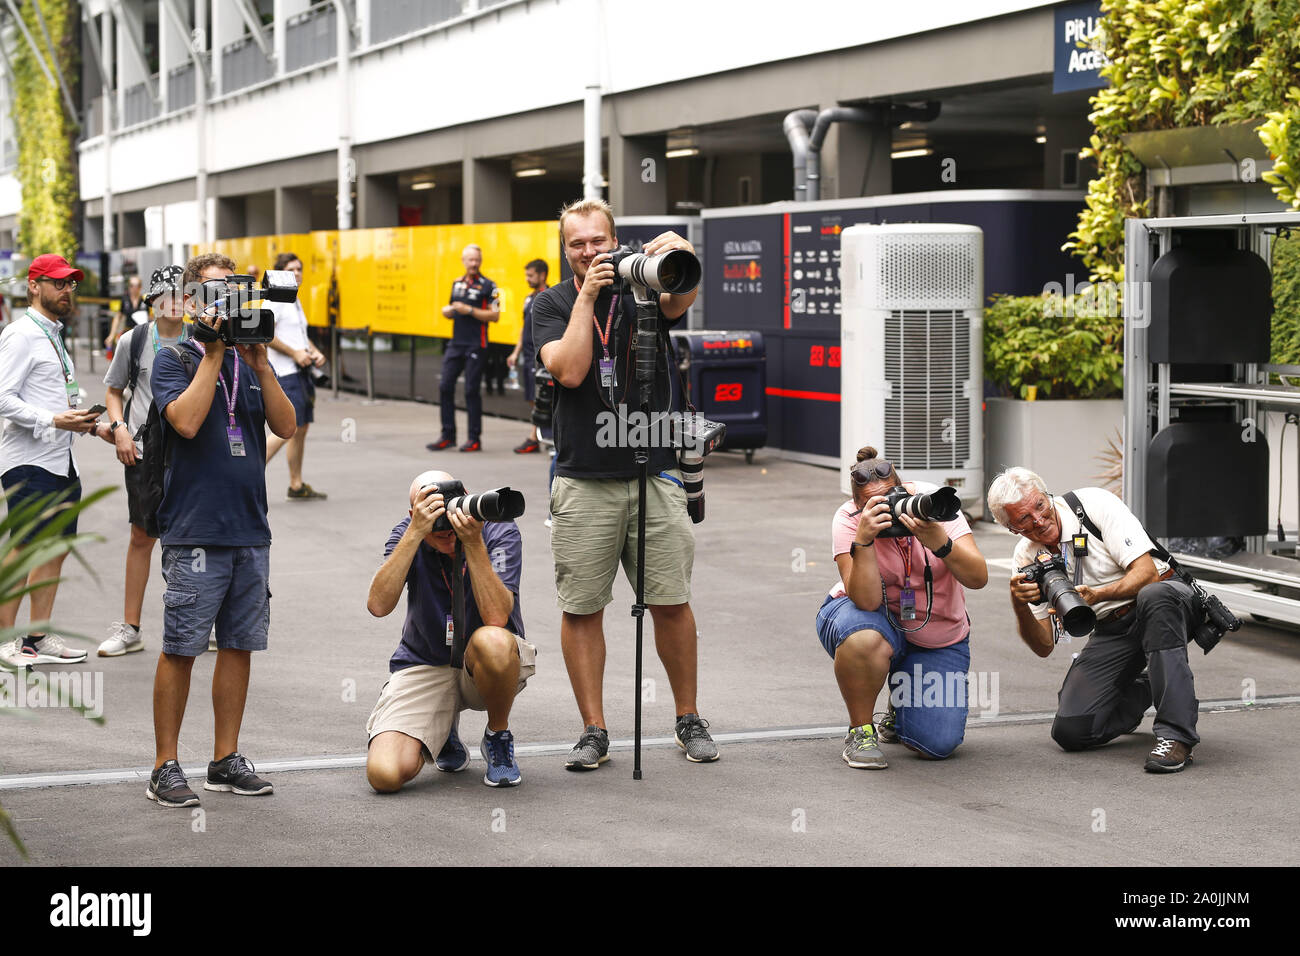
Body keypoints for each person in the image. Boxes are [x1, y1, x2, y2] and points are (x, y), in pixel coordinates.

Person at [533, 196, 718, 769]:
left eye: (598, 241)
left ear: (616, 240)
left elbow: (682, 295)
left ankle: (688, 717)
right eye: (577, 243)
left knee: (671, 600)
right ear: (564, 249)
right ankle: (594, 729)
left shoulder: (643, 288)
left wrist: (678, 251)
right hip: (585, 477)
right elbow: (569, 369)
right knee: (583, 607)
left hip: (654, 469)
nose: (589, 252)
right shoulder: (549, 302)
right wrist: (588, 294)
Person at [143, 252, 297, 808]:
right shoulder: (174, 358)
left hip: (250, 531)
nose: (224, 303)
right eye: (212, 293)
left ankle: (225, 758)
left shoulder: (248, 362)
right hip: (194, 531)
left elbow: (285, 425)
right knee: (182, 647)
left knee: (238, 647)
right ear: (188, 303)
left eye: (231, 292)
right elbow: (184, 421)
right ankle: (164, 765)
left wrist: (258, 365)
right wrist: (212, 352)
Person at [987, 467, 1202, 774]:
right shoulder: (1026, 557)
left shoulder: (1092, 505)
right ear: (1011, 528)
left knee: (1154, 596)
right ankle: (1147, 685)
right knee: (1070, 731)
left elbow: (1147, 573)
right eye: (1023, 519)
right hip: (1114, 627)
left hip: (1170, 602)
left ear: (1048, 496)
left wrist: (1099, 595)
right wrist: (1018, 604)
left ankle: (1176, 736)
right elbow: (1045, 645)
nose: (1038, 520)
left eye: (1039, 506)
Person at [815, 447, 988, 769]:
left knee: (936, 744)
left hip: (935, 634)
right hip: (867, 617)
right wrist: (864, 540)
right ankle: (861, 730)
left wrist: (939, 541)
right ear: (857, 506)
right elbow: (864, 600)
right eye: (875, 505)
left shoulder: (932, 503)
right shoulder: (849, 519)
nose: (891, 511)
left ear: (905, 489)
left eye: (893, 498)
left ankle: (902, 706)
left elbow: (978, 578)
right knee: (865, 639)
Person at [365, 470, 535, 790]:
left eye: (450, 514)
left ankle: (497, 736)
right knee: (384, 775)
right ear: (415, 514)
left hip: (483, 661)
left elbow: (497, 616)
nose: (446, 529)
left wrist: (472, 542)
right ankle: (442, 732)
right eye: (435, 520)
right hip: (425, 662)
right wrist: (416, 533)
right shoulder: (408, 532)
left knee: (495, 641)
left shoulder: (496, 528)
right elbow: (378, 606)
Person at [0, 255, 100, 669]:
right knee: (24, 549)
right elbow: (3, 398)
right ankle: (5, 643)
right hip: (28, 460)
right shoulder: (21, 334)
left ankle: (36, 638)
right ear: (34, 286)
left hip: (60, 459)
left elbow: (61, 397)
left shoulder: (54, 334)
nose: (66, 290)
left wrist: (96, 426)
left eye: (70, 284)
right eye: (57, 283)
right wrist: (52, 419)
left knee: (54, 550)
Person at [96, 266, 189, 657]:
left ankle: (202, 622)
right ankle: (131, 627)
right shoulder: (133, 341)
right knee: (141, 535)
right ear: (151, 301)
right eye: (165, 295)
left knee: (195, 537)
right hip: (144, 450)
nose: (174, 302)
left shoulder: (203, 339)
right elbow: (114, 391)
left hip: (191, 451)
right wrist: (118, 428)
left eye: (182, 294)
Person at [264, 252, 328, 500]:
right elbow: (265, 333)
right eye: (292, 269)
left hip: (300, 372)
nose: (298, 273)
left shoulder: (293, 300)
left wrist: (314, 351)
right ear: (280, 273)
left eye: (300, 268)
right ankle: (246, 477)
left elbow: (299, 335)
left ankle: (296, 484)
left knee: (300, 427)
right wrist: (294, 354)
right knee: (285, 430)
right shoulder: (276, 299)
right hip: (285, 373)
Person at [428, 244, 499, 453]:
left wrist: (469, 309)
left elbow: (495, 315)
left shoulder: (490, 285)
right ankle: (447, 435)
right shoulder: (456, 283)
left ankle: (474, 438)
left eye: (477, 260)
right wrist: (448, 311)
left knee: (471, 390)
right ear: (463, 261)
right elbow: (451, 309)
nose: (474, 264)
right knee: (445, 386)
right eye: (470, 260)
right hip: (456, 343)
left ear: (481, 261)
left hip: (477, 343)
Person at [507, 259, 548, 454]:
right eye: (526, 275)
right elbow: (524, 327)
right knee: (531, 397)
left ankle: (536, 437)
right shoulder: (528, 298)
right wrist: (516, 352)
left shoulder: (549, 296)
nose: (527, 279)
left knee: (540, 397)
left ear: (542, 275)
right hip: (528, 355)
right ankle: (538, 433)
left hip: (541, 356)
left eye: (530, 276)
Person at [106, 275, 147, 359]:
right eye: (132, 285)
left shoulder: (145, 301)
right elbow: (118, 317)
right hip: (128, 331)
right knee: (122, 354)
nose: (134, 288)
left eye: (137, 286)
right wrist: (111, 335)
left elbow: (151, 318)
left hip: (142, 334)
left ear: (140, 287)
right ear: (129, 287)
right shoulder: (125, 300)